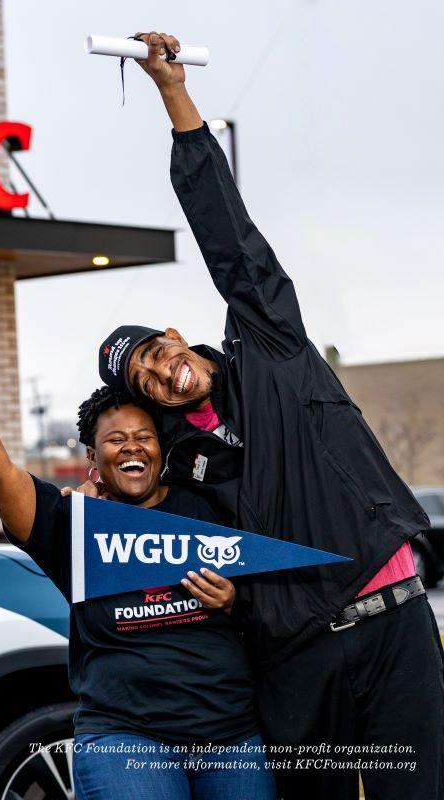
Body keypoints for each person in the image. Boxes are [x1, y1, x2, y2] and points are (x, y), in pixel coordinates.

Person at [95, 31, 444, 799]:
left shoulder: (269, 345)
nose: (162, 372)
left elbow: (227, 233)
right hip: (297, 656)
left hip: (392, 625)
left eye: (157, 353)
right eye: (149, 383)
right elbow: (176, 537)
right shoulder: (186, 459)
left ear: (176, 337)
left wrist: (171, 93)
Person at [0, 329, 275, 800]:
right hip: (127, 739)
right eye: (115, 440)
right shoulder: (72, 524)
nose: (132, 447)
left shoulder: (209, 506)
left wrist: (234, 599)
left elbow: (274, 602)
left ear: (161, 448)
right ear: (93, 456)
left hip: (231, 738)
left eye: (143, 437)